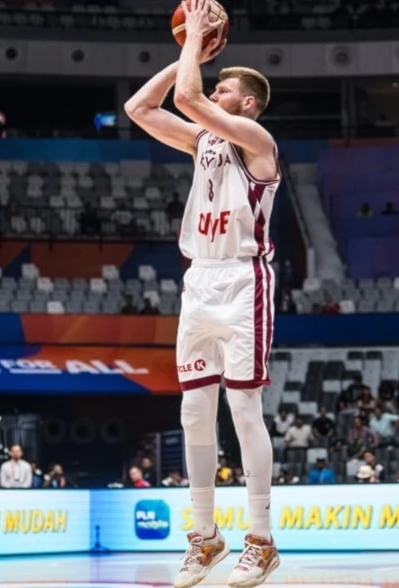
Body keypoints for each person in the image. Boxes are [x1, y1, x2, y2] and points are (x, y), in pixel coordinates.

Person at [124, 1, 280, 586]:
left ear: (246, 103)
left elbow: (190, 99)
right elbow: (139, 108)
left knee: (243, 410)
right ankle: (206, 536)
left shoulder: (256, 140)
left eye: (224, 87)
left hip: (243, 281)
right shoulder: (203, 143)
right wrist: (181, 55)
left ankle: (260, 540)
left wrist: (193, 43)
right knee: (193, 411)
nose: (213, 90)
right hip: (199, 280)